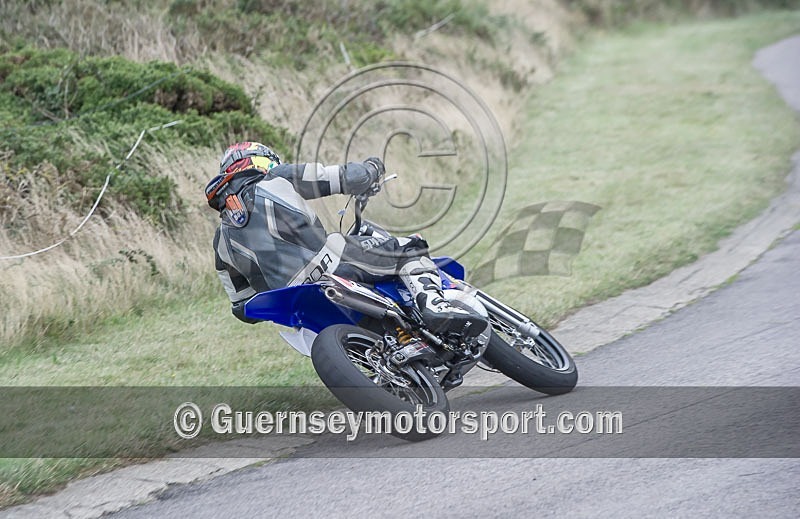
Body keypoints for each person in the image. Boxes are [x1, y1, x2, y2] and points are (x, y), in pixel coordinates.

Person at [206, 141, 488, 340]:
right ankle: (433, 304)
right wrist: (371, 169)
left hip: (295, 304)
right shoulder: (275, 178)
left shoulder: (221, 242)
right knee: (406, 247)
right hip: (332, 264)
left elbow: (242, 308)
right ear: (257, 162)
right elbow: (342, 177)